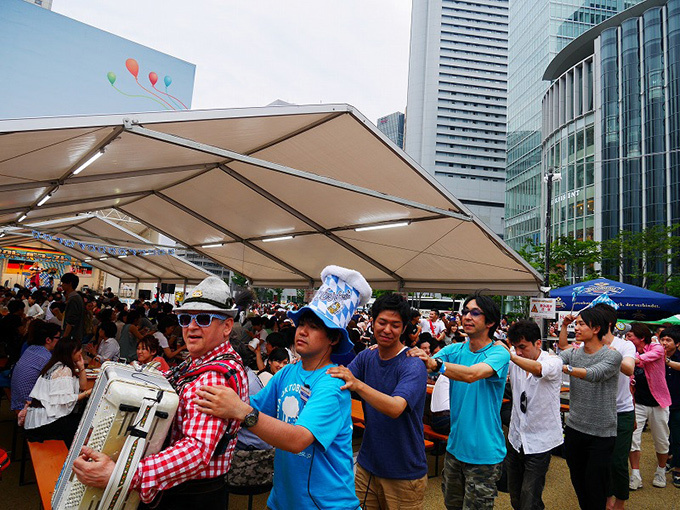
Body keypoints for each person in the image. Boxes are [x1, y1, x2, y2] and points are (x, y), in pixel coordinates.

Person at [193, 265, 371, 510]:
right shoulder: (288, 371)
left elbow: (298, 439)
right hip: (283, 500)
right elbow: (254, 404)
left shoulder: (332, 384)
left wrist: (241, 411)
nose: (303, 331)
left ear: (333, 338)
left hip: (324, 505)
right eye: (302, 323)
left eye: (315, 326)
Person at [72, 276, 250, 509]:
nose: (191, 327)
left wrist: (123, 475)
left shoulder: (214, 377)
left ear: (227, 326)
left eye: (204, 319)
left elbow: (196, 451)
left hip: (191, 496)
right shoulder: (196, 362)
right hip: (183, 488)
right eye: (185, 319)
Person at [409, 292, 510, 510]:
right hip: (455, 448)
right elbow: (425, 361)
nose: (467, 317)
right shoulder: (455, 349)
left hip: (484, 453)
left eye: (475, 313)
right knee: (452, 505)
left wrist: (437, 366)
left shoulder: (498, 353)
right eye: (465, 312)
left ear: (491, 321)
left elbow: (472, 374)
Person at [328, 293, 428, 510]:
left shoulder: (413, 364)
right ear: (372, 322)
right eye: (382, 322)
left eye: (395, 325)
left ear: (403, 329)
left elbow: (395, 407)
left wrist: (358, 385)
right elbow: (338, 381)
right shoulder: (367, 356)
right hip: (367, 466)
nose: (387, 329)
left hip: (404, 472)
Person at [560, 304, 636, 510]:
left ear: (598, 328)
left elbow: (594, 374)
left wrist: (565, 368)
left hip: (603, 430)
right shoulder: (575, 352)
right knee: (579, 482)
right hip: (575, 428)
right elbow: (558, 355)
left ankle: (617, 502)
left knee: (602, 479)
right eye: (576, 324)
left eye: (581, 324)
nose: (577, 328)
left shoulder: (614, 353)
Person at [504, 320, 563, 510]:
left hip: (540, 440)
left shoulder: (553, 361)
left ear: (538, 343)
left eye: (522, 347)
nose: (518, 352)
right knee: (515, 497)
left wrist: (510, 356)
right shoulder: (515, 360)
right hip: (516, 437)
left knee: (529, 498)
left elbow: (538, 369)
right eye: (515, 347)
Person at [24, 336, 92, 447]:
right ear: (69, 352)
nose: (81, 353)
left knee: (79, 421)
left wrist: (81, 368)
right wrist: (87, 393)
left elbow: (82, 386)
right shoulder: (64, 370)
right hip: (42, 424)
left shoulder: (55, 364)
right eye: (78, 350)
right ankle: (71, 459)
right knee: (83, 425)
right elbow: (66, 400)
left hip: (36, 420)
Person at [627, 322, 671, 490]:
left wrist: (629, 358)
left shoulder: (657, 348)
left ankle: (660, 470)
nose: (627, 338)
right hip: (638, 403)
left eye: (630, 336)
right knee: (633, 440)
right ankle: (635, 475)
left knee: (661, 440)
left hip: (659, 403)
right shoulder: (630, 351)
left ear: (641, 337)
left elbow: (641, 360)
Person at [10, 321, 61, 414]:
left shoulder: (31, 349)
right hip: (29, 406)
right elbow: (56, 384)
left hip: (18, 401)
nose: (60, 340)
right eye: (58, 337)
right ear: (48, 340)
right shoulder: (46, 357)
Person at [662, 326, 680, 488]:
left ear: (677, 343)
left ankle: (678, 470)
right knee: (666, 436)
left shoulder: (677, 357)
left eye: (668, 340)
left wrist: (666, 361)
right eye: (663, 339)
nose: (664, 343)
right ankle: (669, 459)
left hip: (678, 403)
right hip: (663, 404)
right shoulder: (657, 355)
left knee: (678, 436)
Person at [61, 273, 85, 342]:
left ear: (70, 284)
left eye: (63, 283)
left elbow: (71, 322)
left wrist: (64, 339)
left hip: (72, 336)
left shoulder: (73, 299)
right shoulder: (77, 297)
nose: (62, 285)